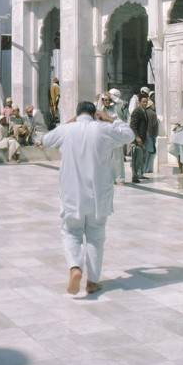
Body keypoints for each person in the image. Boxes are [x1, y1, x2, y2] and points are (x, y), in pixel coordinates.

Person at [43, 100, 134, 295]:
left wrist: (69, 122)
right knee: (96, 236)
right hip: (98, 195)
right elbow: (129, 135)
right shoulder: (103, 129)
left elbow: (46, 140)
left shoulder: (67, 130)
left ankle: (75, 267)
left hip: (72, 195)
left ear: (77, 114)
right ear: (94, 114)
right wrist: (111, 118)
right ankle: (92, 281)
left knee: (71, 232)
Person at [98, 93, 125, 183]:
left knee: (118, 160)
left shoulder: (115, 109)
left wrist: (111, 96)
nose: (107, 101)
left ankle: (119, 178)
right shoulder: (100, 110)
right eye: (105, 100)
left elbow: (121, 102)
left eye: (108, 100)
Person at [129, 96, 149, 183]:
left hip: (142, 138)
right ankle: (135, 176)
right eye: (143, 102)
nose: (145, 103)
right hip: (137, 139)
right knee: (136, 158)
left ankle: (139, 174)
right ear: (139, 102)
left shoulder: (144, 111)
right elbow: (133, 126)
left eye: (146, 102)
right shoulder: (137, 111)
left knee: (141, 158)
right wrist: (137, 137)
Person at [142, 96, 160, 175]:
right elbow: (154, 126)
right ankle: (146, 169)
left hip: (143, 135)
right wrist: (155, 136)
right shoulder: (153, 113)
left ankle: (143, 169)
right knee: (149, 153)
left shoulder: (143, 112)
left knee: (143, 153)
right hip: (150, 135)